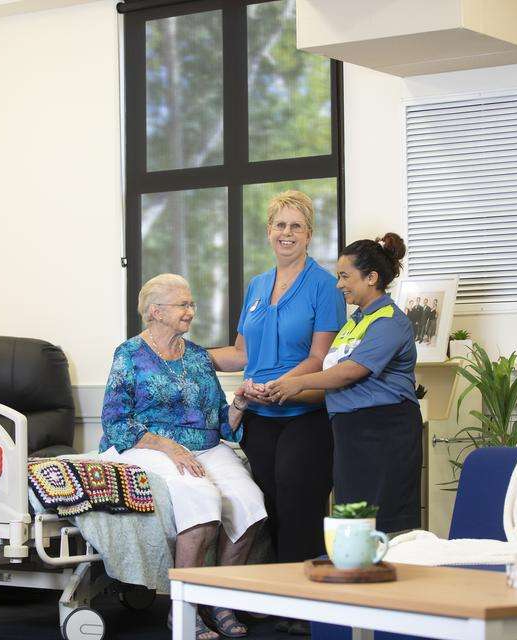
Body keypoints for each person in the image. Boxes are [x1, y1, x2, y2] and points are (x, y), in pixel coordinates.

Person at [100, 273, 267, 640]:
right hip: (148, 445)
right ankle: (183, 608)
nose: (191, 311)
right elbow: (115, 421)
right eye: (183, 305)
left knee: (250, 502)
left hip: (205, 445)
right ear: (156, 312)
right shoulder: (129, 354)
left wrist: (239, 402)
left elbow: (222, 422)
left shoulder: (197, 357)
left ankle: (220, 599)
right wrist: (168, 447)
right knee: (202, 496)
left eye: (192, 304)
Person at [208, 190, 345, 634]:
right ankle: (271, 596)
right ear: (269, 231)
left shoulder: (324, 286)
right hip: (259, 415)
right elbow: (240, 354)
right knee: (267, 503)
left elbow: (321, 357)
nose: (286, 234)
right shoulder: (256, 284)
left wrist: (286, 385)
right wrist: (184, 352)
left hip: (305, 411)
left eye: (296, 226)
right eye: (279, 225)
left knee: (299, 502)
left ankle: (305, 606)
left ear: (309, 234)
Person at [262, 233, 422, 534]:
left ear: (371, 277)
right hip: (350, 432)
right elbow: (333, 385)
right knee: (353, 525)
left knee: (385, 525)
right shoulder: (355, 322)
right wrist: (279, 392)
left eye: (345, 276)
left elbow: (349, 372)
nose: (339, 284)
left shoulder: (389, 321)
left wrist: (294, 384)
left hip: (384, 432)